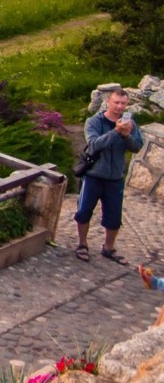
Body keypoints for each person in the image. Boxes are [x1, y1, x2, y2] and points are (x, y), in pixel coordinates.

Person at [73, 87, 144, 263]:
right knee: (83, 211)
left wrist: (127, 136)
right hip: (94, 175)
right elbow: (94, 144)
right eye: (116, 103)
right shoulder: (93, 121)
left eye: (123, 103)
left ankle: (108, 248)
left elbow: (137, 146)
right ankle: (82, 244)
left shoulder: (130, 124)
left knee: (114, 217)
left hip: (115, 178)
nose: (120, 107)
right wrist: (116, 132)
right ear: (108, 102)